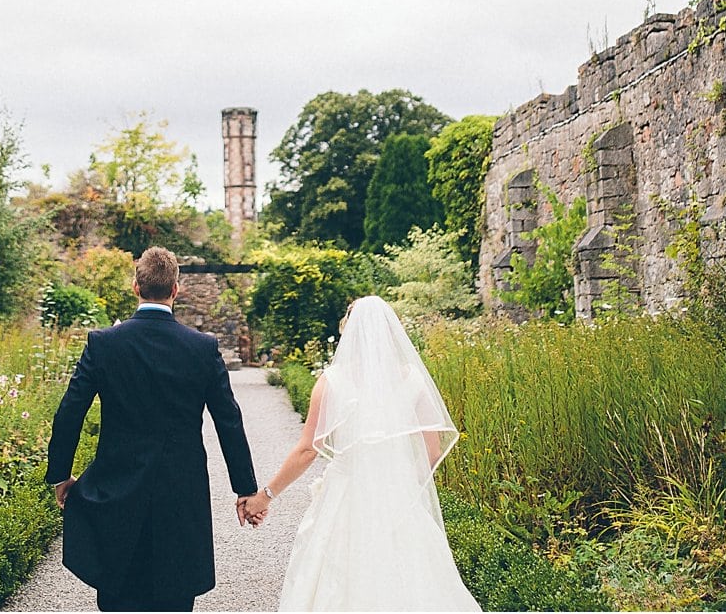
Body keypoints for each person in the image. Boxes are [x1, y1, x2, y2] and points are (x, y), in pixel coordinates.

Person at [45, 246, 260, 612]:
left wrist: (61, 475)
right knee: (175, 597)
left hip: (116, 489)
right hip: (181, 492)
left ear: (135, 287)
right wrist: (245, 488)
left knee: (117, 594)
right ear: (176, 290)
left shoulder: (103, 344)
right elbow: (229, 421)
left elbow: (69, 412)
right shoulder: (202, 348)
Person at [241, 295, 480, 612]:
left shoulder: (332, 382)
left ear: (348, 333)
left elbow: (306, 451)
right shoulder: (412, 379)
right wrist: (400, 482)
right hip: (398, 499)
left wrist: (265, 495)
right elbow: (432, 451)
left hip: (346, 498)